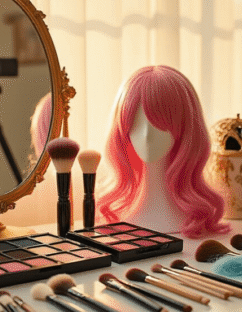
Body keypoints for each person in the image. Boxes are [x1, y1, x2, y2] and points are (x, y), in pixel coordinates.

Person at [97, 65, 230, 238]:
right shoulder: (126, 217)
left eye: (159, 124)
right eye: (136, 123)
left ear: (185, 127)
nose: (146, 135)